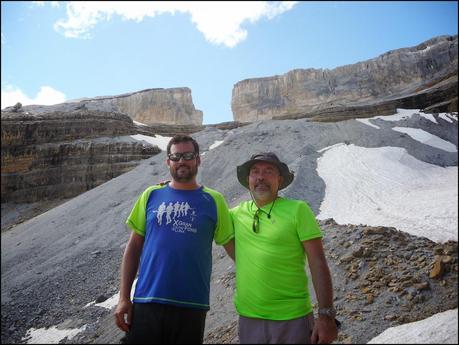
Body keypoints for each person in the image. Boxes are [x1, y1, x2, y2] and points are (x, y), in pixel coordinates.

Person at [114, 134, 235, 344]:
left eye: (188, 155)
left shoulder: (215, 200)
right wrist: (124, 298)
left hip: (192, 306)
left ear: (198, 159)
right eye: (176, 156)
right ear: (168, 161)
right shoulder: (151, 195)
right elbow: (133, 246)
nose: (182, 161)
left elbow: (233, 248)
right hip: (147, 301)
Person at [230, 152, 338, 344]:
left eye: (269, 171)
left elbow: (317, 262)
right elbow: (205, 213)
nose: (261, 177)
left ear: (279, 179)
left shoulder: (298, 210)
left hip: (293, 319)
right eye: (255, 172)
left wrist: (326, 315)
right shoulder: (235, 214)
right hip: (248, 320)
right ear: (248, 179)